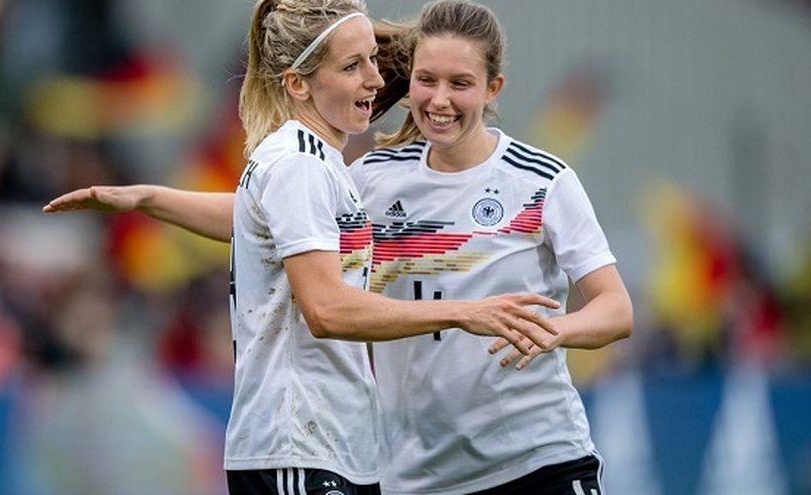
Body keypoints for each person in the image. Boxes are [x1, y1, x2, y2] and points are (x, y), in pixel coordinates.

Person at [44, 1, 561, 494]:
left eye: (373, 61)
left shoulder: (322, 163)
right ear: (297, 83)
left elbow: (254, 220)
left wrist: (149, 198)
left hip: (333, 446)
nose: (376, 79)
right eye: (353, 66)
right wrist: (465, 313)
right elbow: (327, 310)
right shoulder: (299, 165)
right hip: (294, 447)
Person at [347, 1, 633, 493]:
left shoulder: (542, 181)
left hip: (541, 463)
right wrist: (183, 200)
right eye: (427, 80)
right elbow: (278, 217)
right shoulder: (371, 178)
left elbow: (616, 309)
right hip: (417, 479)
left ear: (492, 87)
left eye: (460, 83)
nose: (440, 100)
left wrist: (553, 332)